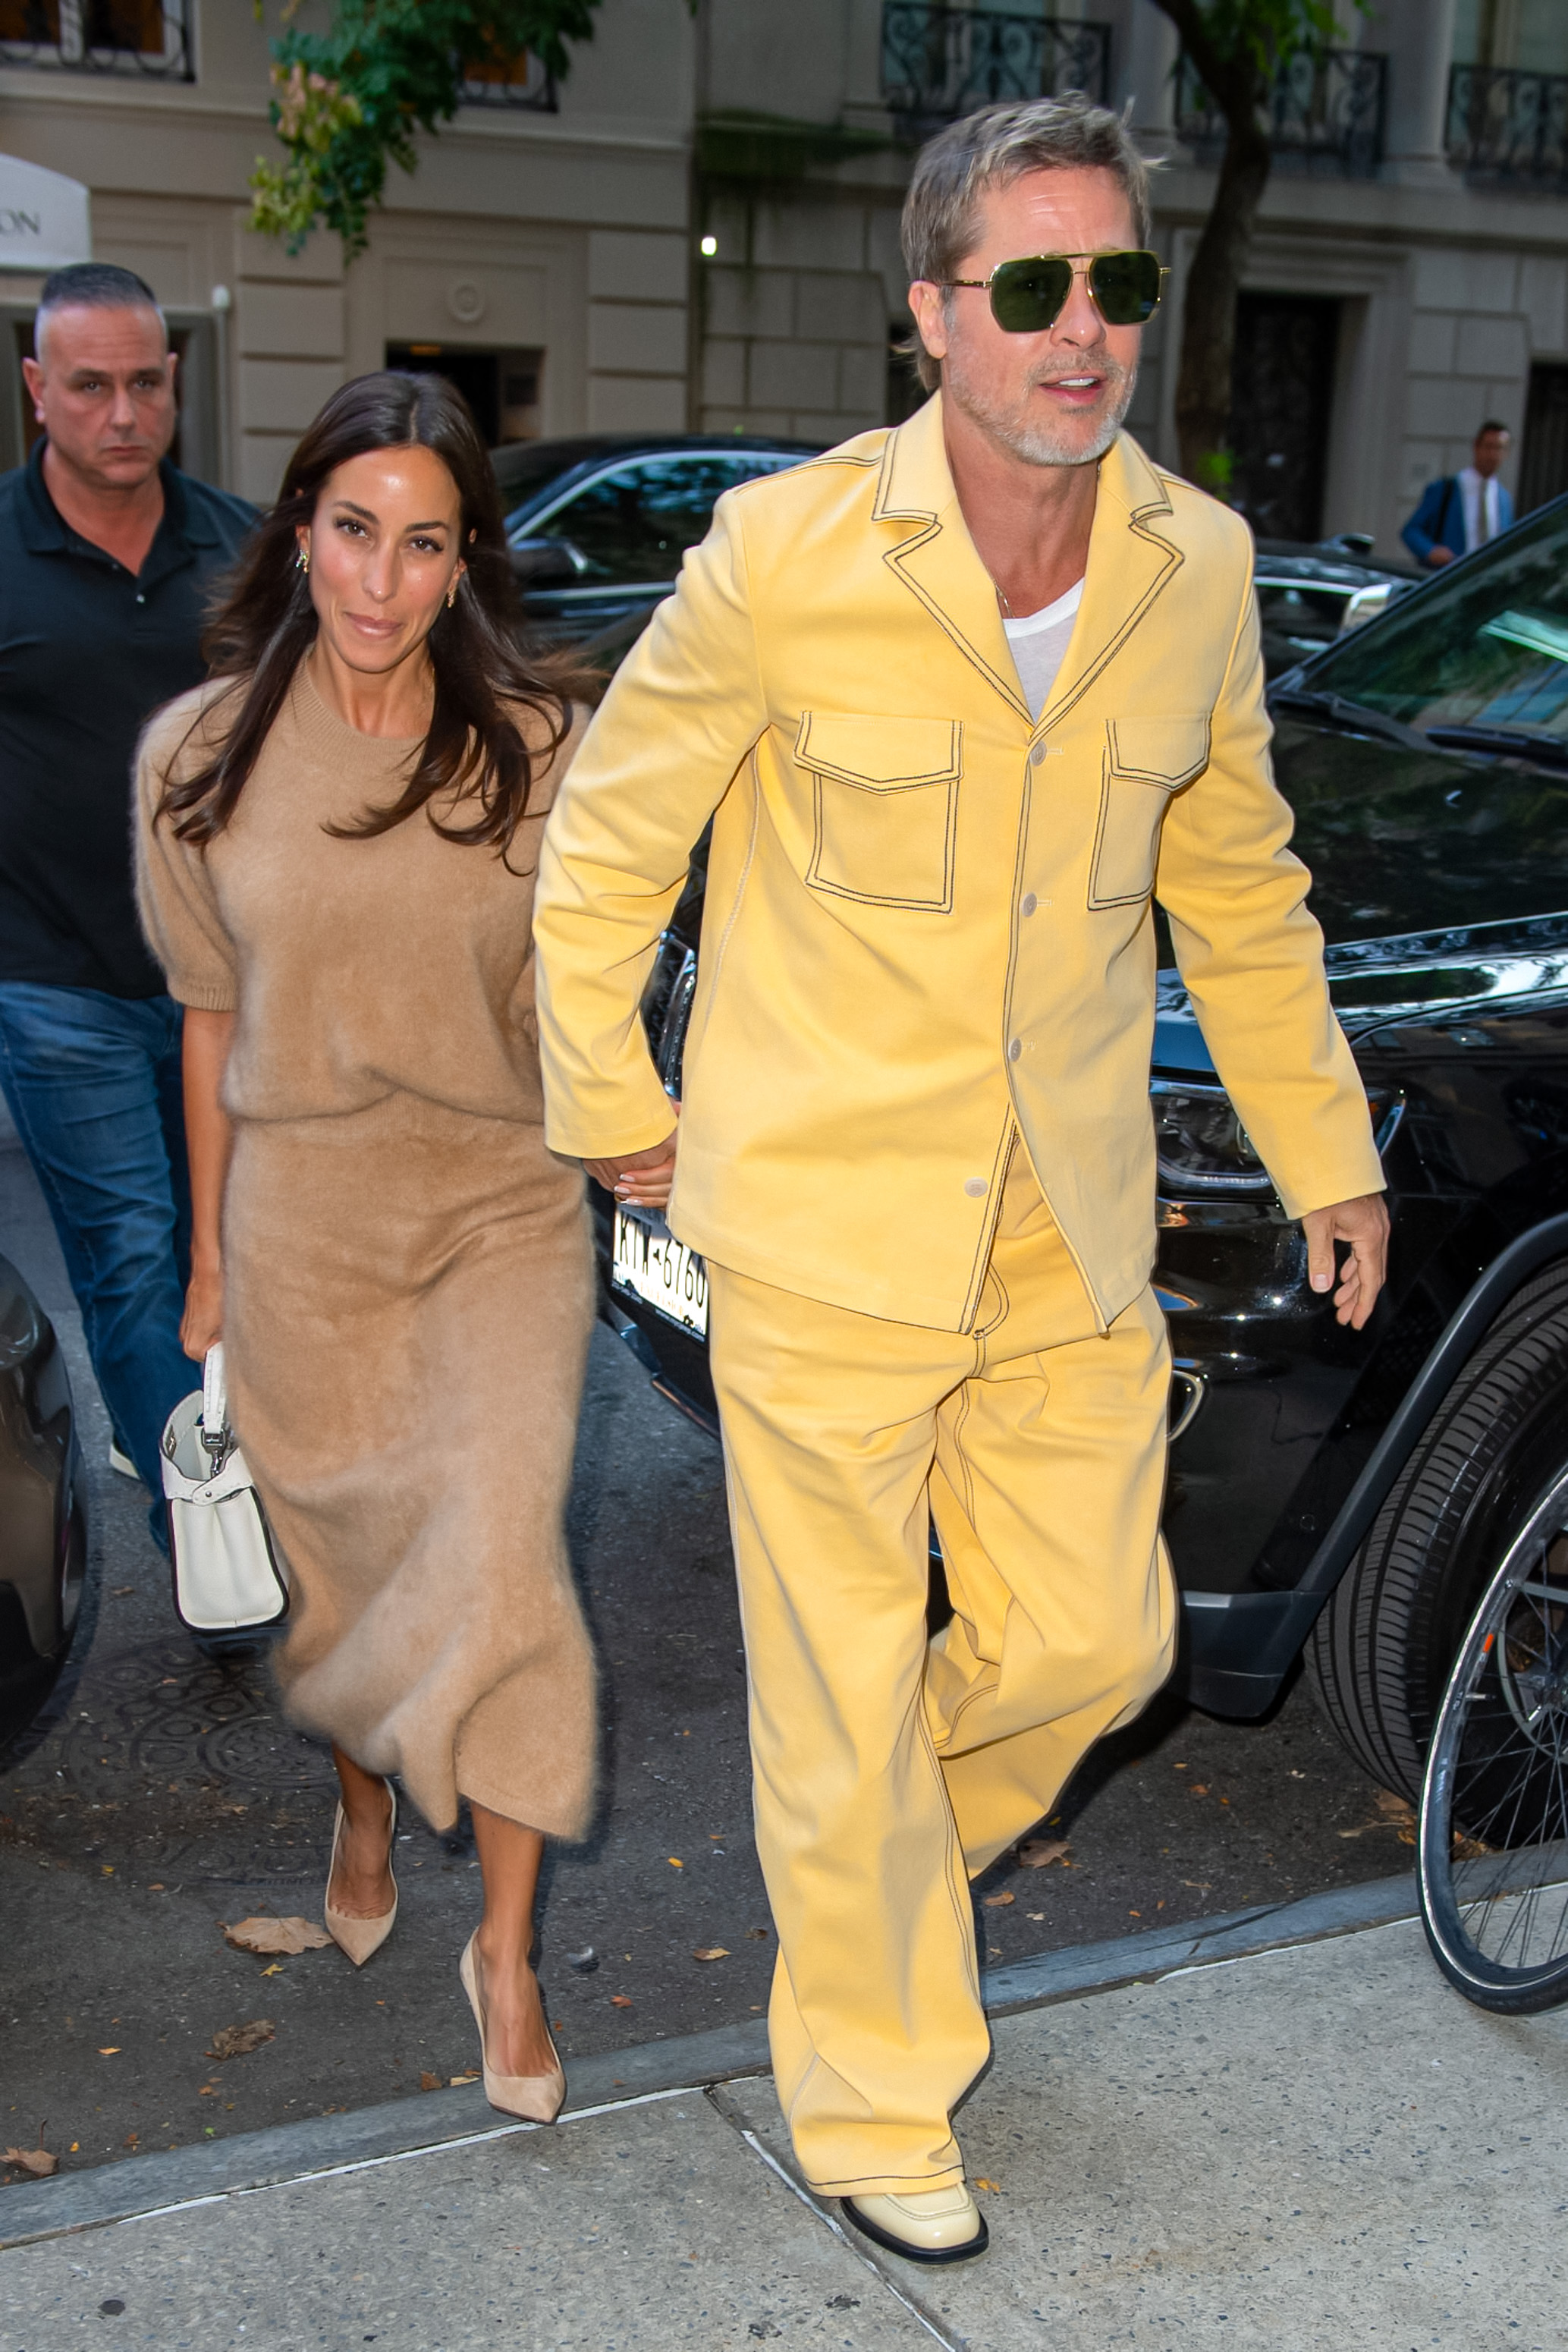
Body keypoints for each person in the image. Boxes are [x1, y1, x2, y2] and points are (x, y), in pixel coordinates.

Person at [532, 95, 1389, 2262]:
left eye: (1114, 280)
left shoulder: (1192, 569)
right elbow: (610, 838)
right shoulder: (788, 553)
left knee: (1097, 1646)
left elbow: (1244, 884)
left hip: (1064, 1224)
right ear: (933, 314)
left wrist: (1326, 1151)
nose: (1080, 327)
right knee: (829, 1679)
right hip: (817, 1220)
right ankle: (874, 2082)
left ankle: (863, 1844)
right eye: (1030, 285)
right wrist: (608, 1100)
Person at [134, 371, 595, 2118]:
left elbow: (579, 997)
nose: (382, 581)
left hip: (495, 1200)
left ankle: (509, 1951)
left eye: (424, 542)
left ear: (465, 556)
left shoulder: (534, 747)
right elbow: (204, 1021)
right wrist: (209, 1262)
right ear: (299, 531)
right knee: (343, 1593)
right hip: (303, 1210)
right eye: (352, 532)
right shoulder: (198, 755)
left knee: (501, 1568)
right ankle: (356, 1797)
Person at [0, 262, 256, 1528]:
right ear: (37, 389)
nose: (120, 413)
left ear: (174, 383)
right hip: (58, 984)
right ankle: (202, 1530)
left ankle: (206, 1464)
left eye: (144, 382)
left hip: (226, 982)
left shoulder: (245, 548)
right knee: (135, 1257)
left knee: (238, 1256)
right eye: (89, 386)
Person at [1402, 420, 1514, 568]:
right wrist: (1430, 551)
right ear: (1476, 447)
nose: (1493, 455)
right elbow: (1411, 531)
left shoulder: (1504, 499)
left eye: (1499, 448)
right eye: (1489, 447)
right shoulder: (1445, 489)